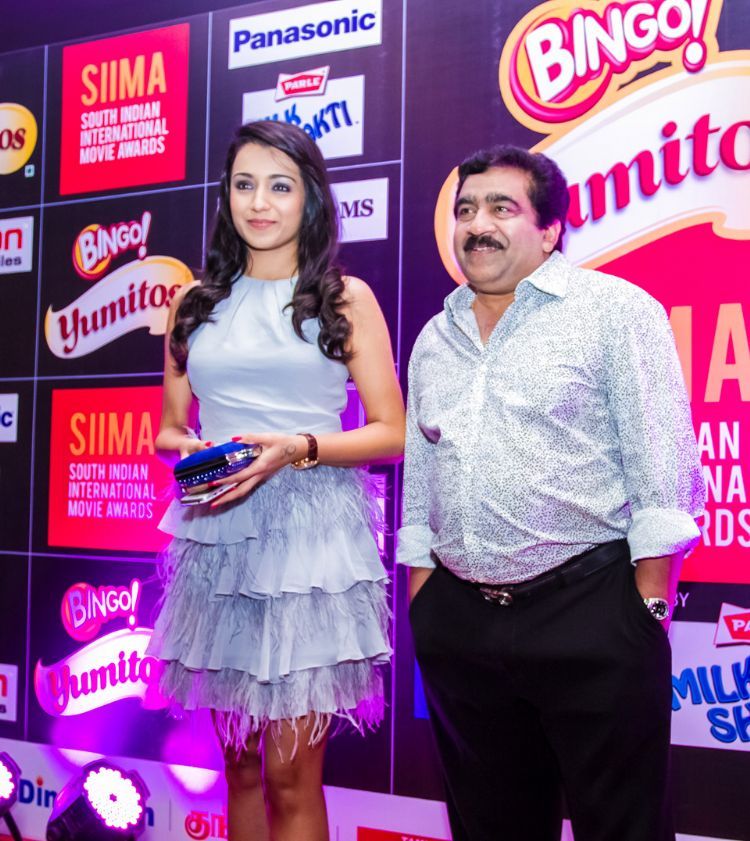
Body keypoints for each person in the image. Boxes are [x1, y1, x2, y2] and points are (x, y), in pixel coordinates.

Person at [398, 145, 705, 841]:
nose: (478, 225)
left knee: (622, 829)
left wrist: (646, 608)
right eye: (466, 210)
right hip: (460, 625)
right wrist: (425, 600)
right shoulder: (434, 338)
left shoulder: (615, 311)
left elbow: (664, 471)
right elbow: (421, 481)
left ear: (550, 229)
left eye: (501, 208)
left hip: (590, 612)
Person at [148, 120, 405, 841]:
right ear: (226, 196)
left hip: (309, 540)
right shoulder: (193, 303)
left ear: (310, 198)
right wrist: (200, 452)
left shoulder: (343, 298)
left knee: (292, 777)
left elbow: (391, 431)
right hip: (218, 530)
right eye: (244, 184)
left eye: (280, 186)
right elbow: (167, 429)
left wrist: (295, 448)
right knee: (239, 766)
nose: (259, 202)